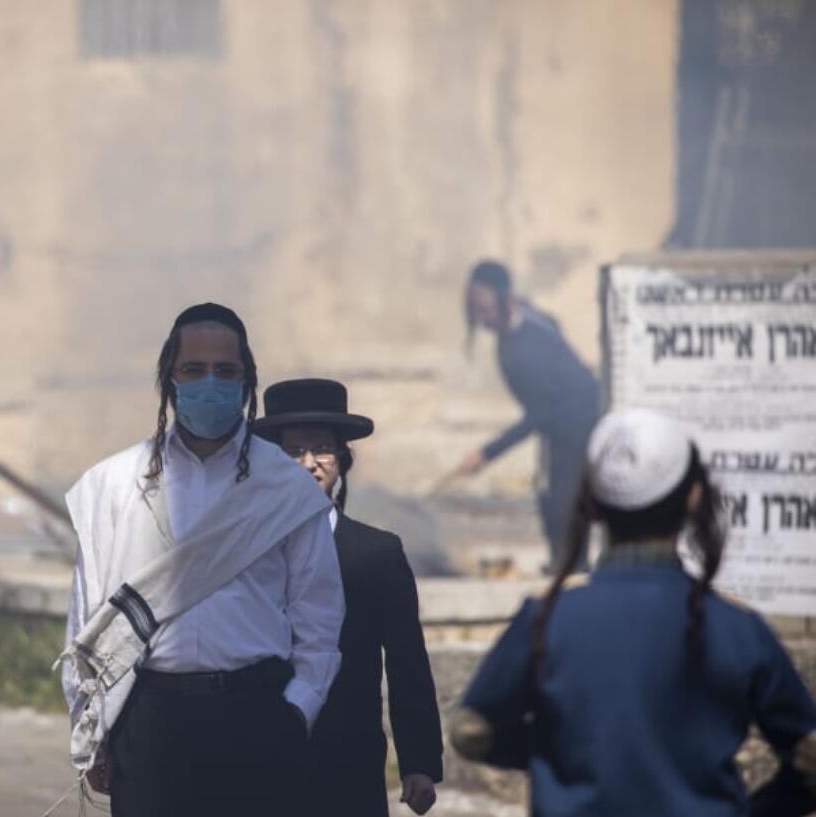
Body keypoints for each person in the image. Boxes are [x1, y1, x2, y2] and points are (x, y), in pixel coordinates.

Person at [452, 407, 816, 817]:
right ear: (694, 497)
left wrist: (559, 748)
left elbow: (472, 730)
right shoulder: (738, 628)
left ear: (591, 506)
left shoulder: (548, 617)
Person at [59, 303, 344, 817]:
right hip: (149, 719)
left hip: (256, 718)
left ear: (247, 381)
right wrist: (96, 728)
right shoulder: (113, 486)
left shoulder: (285, 488)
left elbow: (319, 618)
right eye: (194, 370)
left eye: (226, 371)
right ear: (170, 378)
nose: (209, 383)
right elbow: (88, 614)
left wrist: (295, 712)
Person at [252, 378, 443, 816]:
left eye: (321, 449)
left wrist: (419, 763)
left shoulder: (376, 553)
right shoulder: (248, 552)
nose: (309, 464)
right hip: (262, 759)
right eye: (292, 452)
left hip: (349, 758)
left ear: (341, 459)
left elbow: (406, 659)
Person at [441, 260, 601, 572]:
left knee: (563, 504)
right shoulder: (527, 323)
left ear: (506, 299)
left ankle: (571, 571)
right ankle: (564, 566)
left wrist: (486, 453)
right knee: (551, 499)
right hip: (558, 426)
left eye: (486, 308)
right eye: (476, 310)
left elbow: (537, 414)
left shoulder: (523, 349)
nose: (482, 318)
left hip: (579, 424)